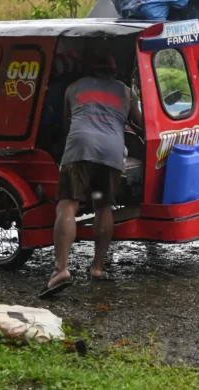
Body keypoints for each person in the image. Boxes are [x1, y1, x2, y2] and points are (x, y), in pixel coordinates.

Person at [40, 53, 142, 298]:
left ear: (89, 70)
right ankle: (97, 266)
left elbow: (66, 123)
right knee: (103, 206)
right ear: (114, 71)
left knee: (68, 205)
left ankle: (61, 269)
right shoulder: (127, 92)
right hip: (111, 153)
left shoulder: (74, 88)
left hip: (80, 148)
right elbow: (139, 124)